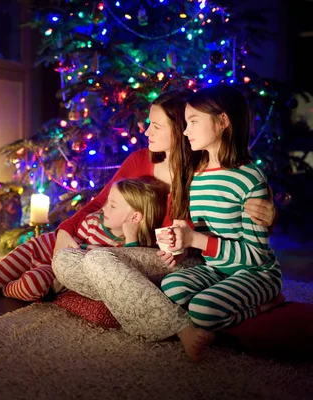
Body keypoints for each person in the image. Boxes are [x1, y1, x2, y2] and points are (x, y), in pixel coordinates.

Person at [51, 88, 277, 361]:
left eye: (156, 126)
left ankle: (169, 322)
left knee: (99, 260)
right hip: (139, 256)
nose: (147, 132)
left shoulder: (199, 170)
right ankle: (132, 301)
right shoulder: (139, 160)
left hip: (177, 261)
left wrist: (271, 214)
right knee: (64, 261)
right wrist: (66, 228)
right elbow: (99, 203)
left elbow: (237, 222)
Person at [0, 177, 168, 301]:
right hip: (43, 248)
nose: (103, 207)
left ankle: (6, 288)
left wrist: (130, 238)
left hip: (55, 272)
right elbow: (72, 246)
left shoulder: (134, 247)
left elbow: (126, 268)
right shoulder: (94, 221)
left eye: (114, 206)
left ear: (135, 218)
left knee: (34, 286)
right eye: (108, 202)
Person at [159, 84, 284, 360]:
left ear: (223, 122)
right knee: (170, 287)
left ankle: (266, 305)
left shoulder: (249, 180)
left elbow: (255, 256)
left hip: (257, 272)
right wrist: (180, 240)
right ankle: (225, 309)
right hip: (217, 268)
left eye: (193, 122)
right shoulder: (197, 174)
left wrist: (197, 240)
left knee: (202, 309)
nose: (185, 130)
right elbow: (202, 234)